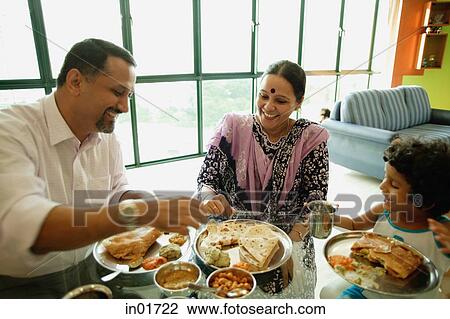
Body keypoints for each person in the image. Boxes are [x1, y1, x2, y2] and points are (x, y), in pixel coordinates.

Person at [0, 39, 205, 298]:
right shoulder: (11, 131)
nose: (124, 107)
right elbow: (29, 228)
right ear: (76, 81)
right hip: (22, 286)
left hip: (90, 266)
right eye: (117, 92)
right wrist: (137, 212)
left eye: (128, 95)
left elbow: (117, 192)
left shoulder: (106, 138)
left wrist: (156, 204)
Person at [196, 60, 329, 298]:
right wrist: (208, 198)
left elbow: (315, 201)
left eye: (280, 100)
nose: (268, 106)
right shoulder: (233, 127)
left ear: (298, 103)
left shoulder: (310, 138)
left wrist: (286, 250)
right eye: (263, 96)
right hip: (230, 234)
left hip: (289, 234)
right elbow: (208, 177)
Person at [327, 136, 450, 298]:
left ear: (424, 200)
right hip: (367, 290)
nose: (382, 186)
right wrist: (329, 218)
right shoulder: (383, 211)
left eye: (394, 185)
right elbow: (354, 225)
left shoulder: (442, 232)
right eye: (385, 177)